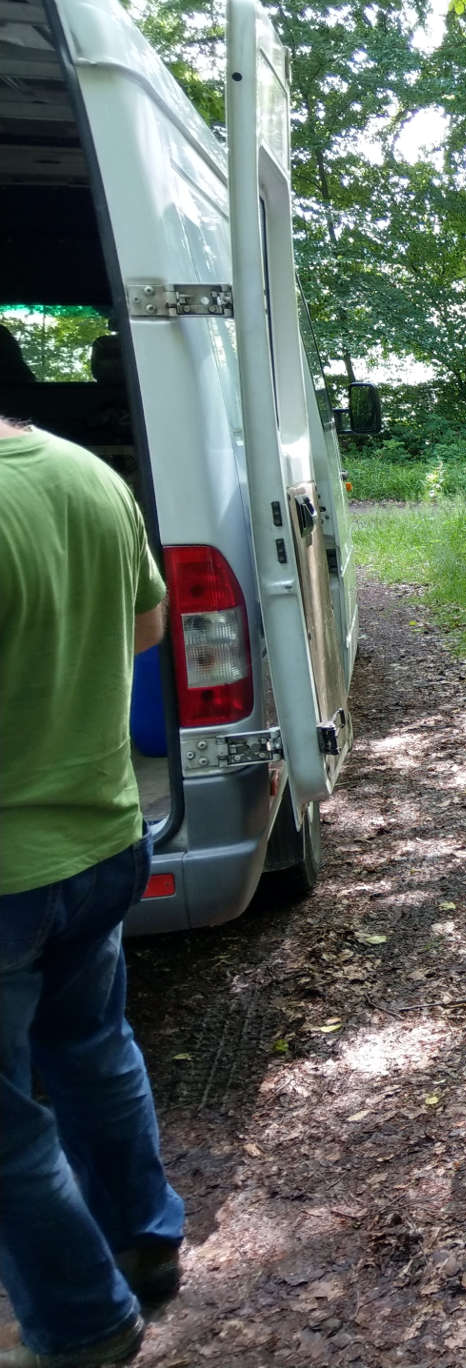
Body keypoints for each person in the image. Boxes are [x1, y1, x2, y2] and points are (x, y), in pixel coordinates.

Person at [1, 418, 184, 1368]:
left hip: (10, 871)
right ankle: (144, 1243)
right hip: (104, 835)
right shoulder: (83, 473)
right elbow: (148, 625)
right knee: (92, 1049)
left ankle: (82, 1323)